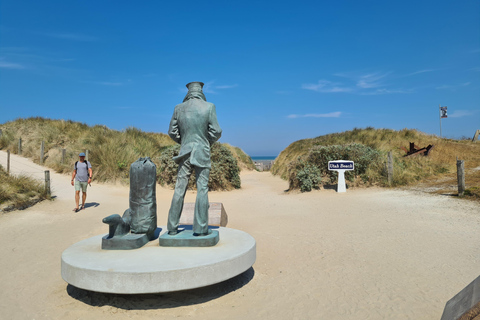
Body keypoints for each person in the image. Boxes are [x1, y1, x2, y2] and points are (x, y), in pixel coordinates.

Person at [167, 81, 222, 236]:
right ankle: (201, 227)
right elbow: (217, 131)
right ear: (201, 91)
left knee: (179, 188)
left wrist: (183, 141)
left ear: (188, 92)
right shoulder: (209, 107)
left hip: (184, 151)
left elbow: (172, 131)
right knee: (202, 188)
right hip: (202, 151)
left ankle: (171, 227)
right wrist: (206, 141)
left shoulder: (178, 108)